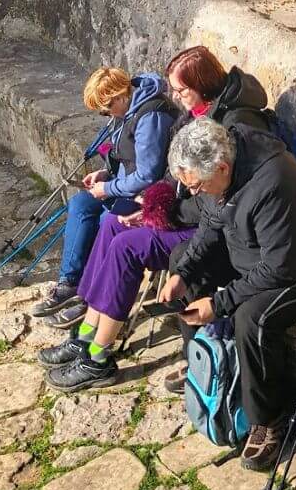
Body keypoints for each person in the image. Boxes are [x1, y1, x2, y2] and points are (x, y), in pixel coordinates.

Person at [159, 116, 296, 471]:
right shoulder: (220, 174)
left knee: (253, 317)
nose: (195, 193)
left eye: (197, 186)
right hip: (253, 253)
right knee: (182, 258)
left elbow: (281, 268)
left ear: (222, 167)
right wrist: (182, 274)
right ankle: (203, 362)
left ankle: (268, 421)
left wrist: (218, 303)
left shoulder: (274, 181)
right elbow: (211, 224)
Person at [31, 66, 183, 326]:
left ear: (120, 97)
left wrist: (109, 189)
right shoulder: (129, 110)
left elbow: (148, 173)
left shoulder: (151, 116)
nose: (105, 114)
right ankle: (69, 282)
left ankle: (90, 299)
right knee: (80, 203)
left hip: (145, 194)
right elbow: (128, 157)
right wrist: (105, 173)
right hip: (123, 185)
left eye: (106, 108)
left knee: (107, 220)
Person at [37, 177, 200, 389]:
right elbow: (177, 178)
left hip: (200, 228)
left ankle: (98, 357)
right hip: (181, 214)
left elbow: (207, 207)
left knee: (127, 247)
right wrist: (147, 202)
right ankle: (87, 335)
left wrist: (156, 213)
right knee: (113, 223)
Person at [165, 45, 270, 132]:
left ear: (202, 85)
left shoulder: (235, 126)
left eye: (180, 90)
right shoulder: (196, 113)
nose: (175, 96)